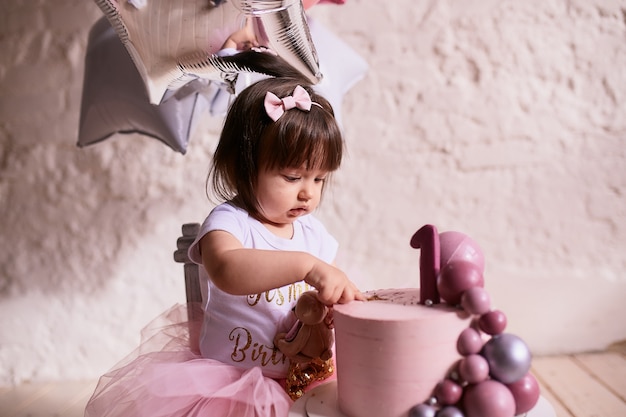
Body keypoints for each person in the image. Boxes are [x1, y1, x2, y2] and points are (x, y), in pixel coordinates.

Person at [84, 76, 363, 417]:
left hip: (302, 379)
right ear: (243, 167)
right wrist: (307, 266)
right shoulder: (230, 222)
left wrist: (332, 306)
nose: (308, 192)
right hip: (232, 385)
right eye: (292, 177)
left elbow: (321, 297)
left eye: (318, 179)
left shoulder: (314, 235)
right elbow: (227, 270)